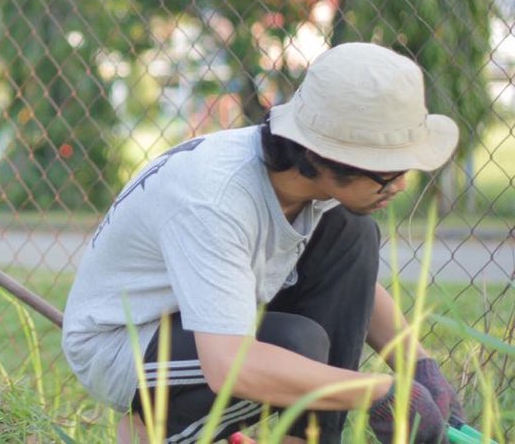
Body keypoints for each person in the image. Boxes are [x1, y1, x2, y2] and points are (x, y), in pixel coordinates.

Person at [62, 42, 466, 443]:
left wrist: (417, 366)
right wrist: (377, 392)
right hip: (121, 345)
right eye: (387, 173)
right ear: (327, 158)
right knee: (298, 344)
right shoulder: (216, 199)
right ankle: (152, 432)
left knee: (352, 232)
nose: (399, 186)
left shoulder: (305, 182)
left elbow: (348, 285)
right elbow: (228, 364)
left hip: (203, 322)